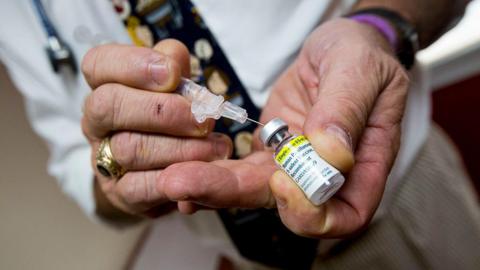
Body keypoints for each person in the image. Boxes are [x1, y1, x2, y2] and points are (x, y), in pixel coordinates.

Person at [1, 0, 479, 269]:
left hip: (405, 194)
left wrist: (375, 29)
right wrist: (114, 174)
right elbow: (70, 155)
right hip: (260, 260)